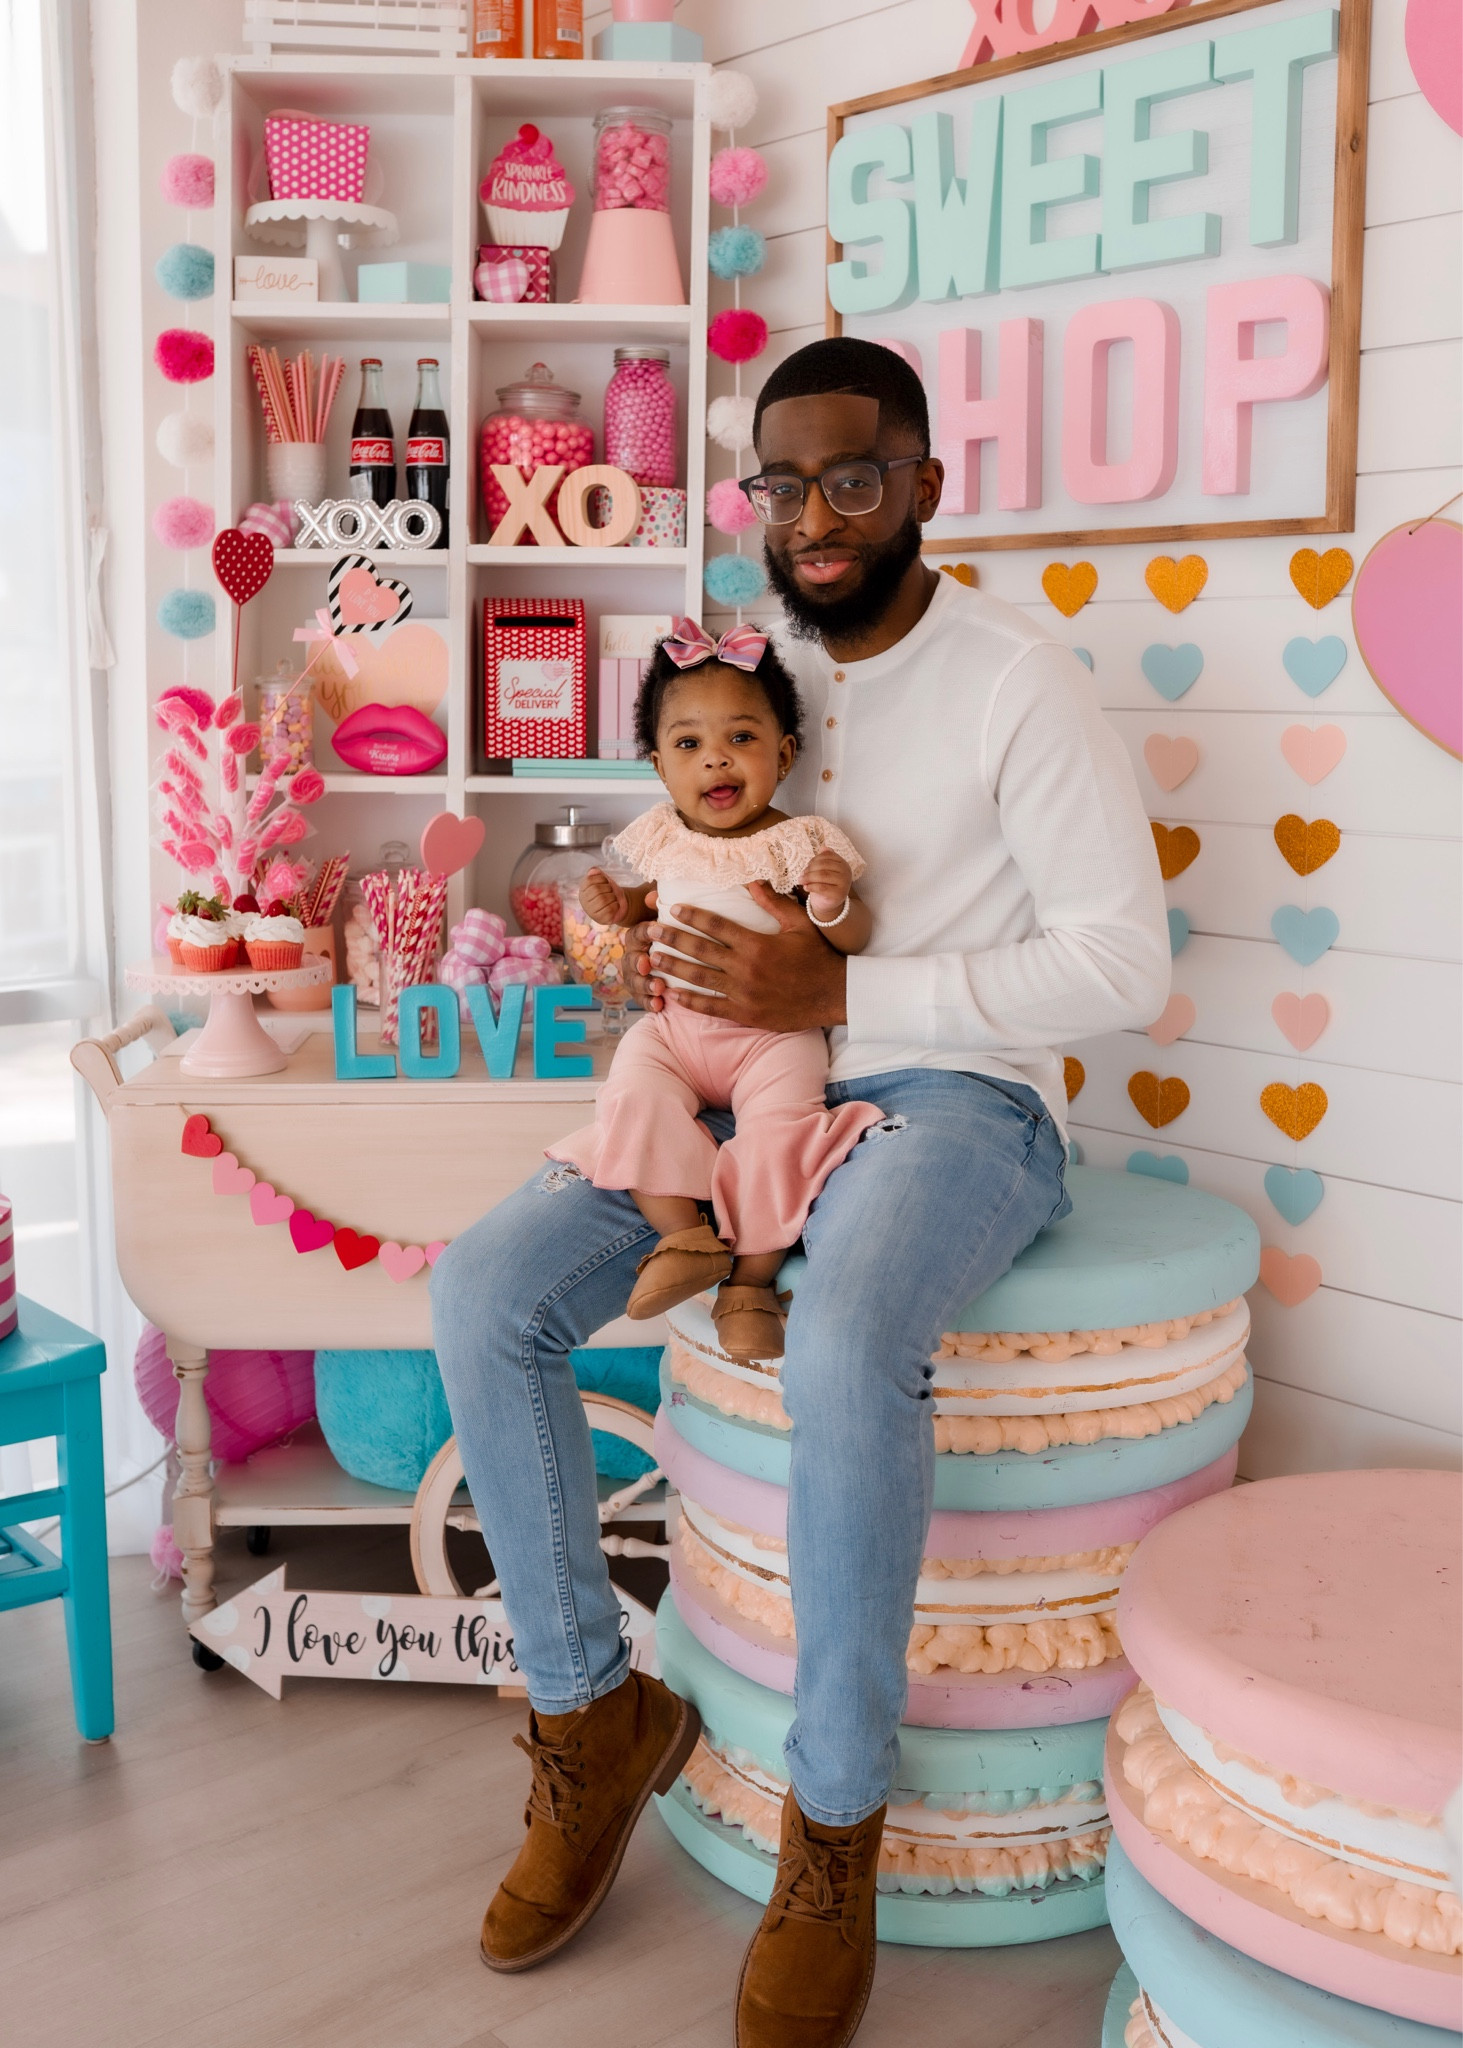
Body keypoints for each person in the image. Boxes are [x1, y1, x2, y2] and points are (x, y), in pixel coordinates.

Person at [431, 335, 1170, 2048]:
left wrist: (846, 993)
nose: (816, 517)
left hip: (956, 1096)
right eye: (783, 482)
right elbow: (679, 868)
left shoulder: (1014, 678)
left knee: (838, 1339)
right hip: (729, 1085)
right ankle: (593, 1717)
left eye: (854, 477)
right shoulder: (753, 671)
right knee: (481, 1293)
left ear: (923, 485)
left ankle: (831, 1829)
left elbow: (1121, 961)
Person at [546, 617, 881, 1362]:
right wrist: (618, 908)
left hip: (772, 1037)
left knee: (780, 1134)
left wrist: (832, 902)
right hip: (674, 1031)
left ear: (783, 754)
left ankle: (752, 1285)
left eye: (741, 738)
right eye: (689, 744)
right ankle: (684, 1241)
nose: (715, 760)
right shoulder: (664, 837)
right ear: (660, 767)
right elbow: (652, 903)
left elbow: (851, 941)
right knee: (631, 1096)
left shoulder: (796, 841)